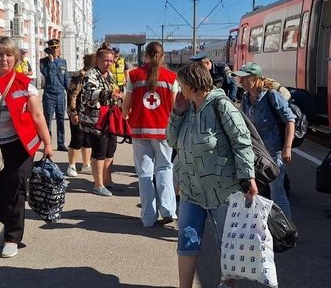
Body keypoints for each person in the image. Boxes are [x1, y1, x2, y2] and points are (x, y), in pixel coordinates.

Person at [166, 62, 257, 288]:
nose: (179, 89)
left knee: (228, 243)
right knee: (187, 241)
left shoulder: (221, 105)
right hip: (191, 189)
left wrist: (248, 177)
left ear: (193, 86)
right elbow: (171, 141)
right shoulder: (186, 107)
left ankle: (227, 285)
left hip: (224, 191)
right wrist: (176, 114)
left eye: (181, 85)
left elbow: (241, 141)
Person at [0, 36, 53, 258]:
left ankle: (12, 237)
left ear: (15, 58)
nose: (4, 58)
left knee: (14, 191)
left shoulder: (25, 84)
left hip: (18, 147)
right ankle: (9, 223)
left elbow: (37, 115)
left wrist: (47, 143)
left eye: (8, 55)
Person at [122, 41, 178, 227]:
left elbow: (126, 105)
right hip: (164, 132)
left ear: (145, 55)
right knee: (164, 169)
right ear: (162, 56)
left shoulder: (134, 75)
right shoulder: (171, 78)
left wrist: (124, 116)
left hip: (140, 130)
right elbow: (176, 107)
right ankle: (169, 210)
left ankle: (148, 217)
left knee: (144, 173)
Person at [232, 62, 295, 218]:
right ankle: (257, 228)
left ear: (254, 78)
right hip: (254, 154)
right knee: (254, 191)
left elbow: (290, 119)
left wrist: (287, 147)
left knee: (277, 193)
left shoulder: (271, 95)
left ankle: (286, 231)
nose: (240, 82)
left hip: (273, 154)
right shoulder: (246, 98)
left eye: (244, 78)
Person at [78, 44, 122, 196]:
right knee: (99, 152)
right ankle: (98, 185)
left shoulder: (109, 75)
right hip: (95, 120)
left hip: (109, 119)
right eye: (106, 61)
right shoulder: (91, 74)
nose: (109, 64)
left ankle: (107, 180)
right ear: (98, 60)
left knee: (111, 150)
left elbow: (117, 90)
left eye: (111, 61)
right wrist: (109, 94)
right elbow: (89, 92)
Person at [66, 53, 96, 177]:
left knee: (88, 140)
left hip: (90, 114)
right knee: (77, 139)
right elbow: (72, 95)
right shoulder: (79, 76)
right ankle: (71, 166)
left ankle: (86, 165)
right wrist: (73, 112)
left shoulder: (94, 76)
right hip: (78, 112)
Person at [40, 38, 69, 151]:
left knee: (61, 119)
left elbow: (66, 78)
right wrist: (51, 62)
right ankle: (48, 143)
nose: (56, 50)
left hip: (61, 94)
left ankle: (61, 143)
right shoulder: (43, 62)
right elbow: (48, 75)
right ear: (49, 49)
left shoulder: (63, 62)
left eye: (57, 47)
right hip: (49, 94)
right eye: (53, 48)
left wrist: (69, 92)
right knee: (48, 120)